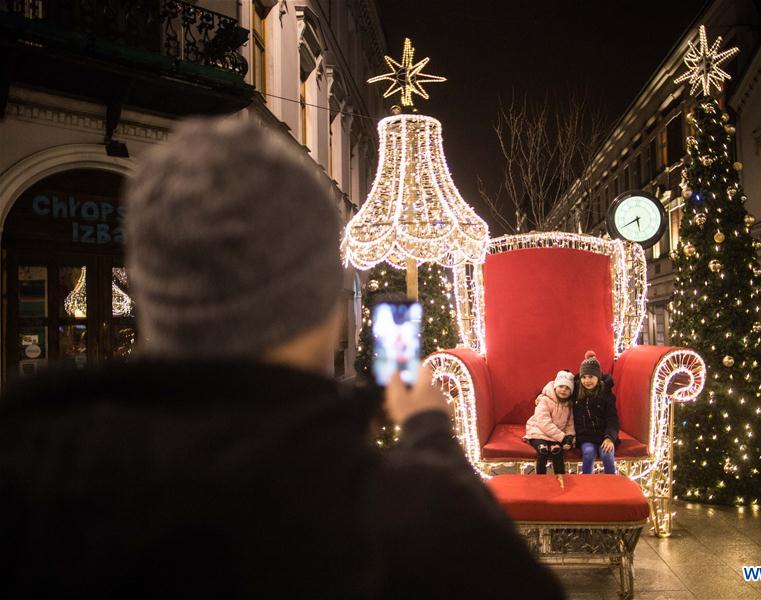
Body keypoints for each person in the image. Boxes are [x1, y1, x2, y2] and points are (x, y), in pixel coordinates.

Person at [0, 117, 565, 599]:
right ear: (329, 308)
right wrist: (431, 437)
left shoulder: (31, 485)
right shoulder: (411, 521)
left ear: (147, 291)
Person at [573, 350, 619, 474]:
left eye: (591, 377)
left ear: (598, 377)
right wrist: (542, 395)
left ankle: (611, 482)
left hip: (604, 435)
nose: (587, 381)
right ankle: (587, 483)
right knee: (588, 454)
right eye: (584, 377)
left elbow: (612, 419)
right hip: (586, 436)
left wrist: (609, 438)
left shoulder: (606, 394)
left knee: (607, 455)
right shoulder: (576, 391)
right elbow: (558, 386)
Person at [523, 370, 576, 475]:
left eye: (567, 388)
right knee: (543, 450)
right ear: (555, 387)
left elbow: (570, 424)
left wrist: (569, 438)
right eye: (561, 386)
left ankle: (561, 478)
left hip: (555, 436)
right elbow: (543, 422)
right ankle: (541, 478)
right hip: (538, 432)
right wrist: (562, 437)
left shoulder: (569, 405)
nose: (563, 390)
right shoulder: (545, 400)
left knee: (557, 450)